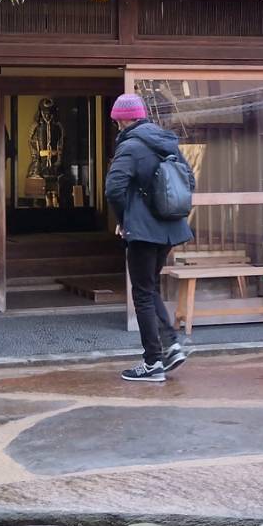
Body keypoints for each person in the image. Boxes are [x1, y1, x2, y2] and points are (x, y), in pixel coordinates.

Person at [104, 92, 195, 382]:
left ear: (123, 119)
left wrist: (124, 220)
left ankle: (153, 362)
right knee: (150, 287)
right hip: (169, 226)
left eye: (117, 121)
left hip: (143, 231)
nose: (117, 126)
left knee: (142, 293)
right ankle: (172, 345)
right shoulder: (167, 142)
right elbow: (189, 180)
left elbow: (113, 189)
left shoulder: (130, 146)